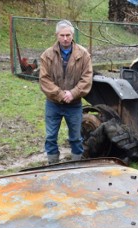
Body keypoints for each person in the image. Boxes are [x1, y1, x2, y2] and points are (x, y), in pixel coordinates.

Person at [39, 20, 93, 164]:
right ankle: (53, 165)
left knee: (76, 137)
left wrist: (73, 93)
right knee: (50, 137)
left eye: (68, 35)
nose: (65, 38)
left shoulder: (83, 55)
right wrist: (61, 94)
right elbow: (44, 80)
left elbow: (87, 78)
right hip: (53, 104)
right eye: (62, 35)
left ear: (72, 35)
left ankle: (76, 165)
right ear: (57, 35)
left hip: (74, 104)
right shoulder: (47, 55)